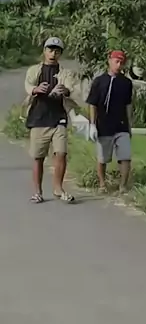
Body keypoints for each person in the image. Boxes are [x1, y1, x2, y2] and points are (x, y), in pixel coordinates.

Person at [24, 36, 79, 204]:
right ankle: (37, 192)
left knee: (61, 153)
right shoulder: (34, 70)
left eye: (57, 51)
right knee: (38, 157)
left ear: (60, 54)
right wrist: (36, 89)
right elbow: (28, 85)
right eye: (50, 50)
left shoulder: (65, 73)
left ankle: (58, 188)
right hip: (39, 118)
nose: (53, 54)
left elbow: (71, 89)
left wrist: (65, 91)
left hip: (58, 118)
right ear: (44, 51)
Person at [86, 49, 133, 194]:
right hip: (104, 125)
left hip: (121, 125)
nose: (119, 65)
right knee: (103, 158)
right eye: (116, 62)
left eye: (121, 63)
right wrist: (92, 124)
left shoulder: (126, 83)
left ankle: (123, 186)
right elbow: (92, 103)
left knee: (125, 156)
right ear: (110, 61)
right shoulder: (99, 81)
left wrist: (129, 125)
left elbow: (128, 105)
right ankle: (102, 184)